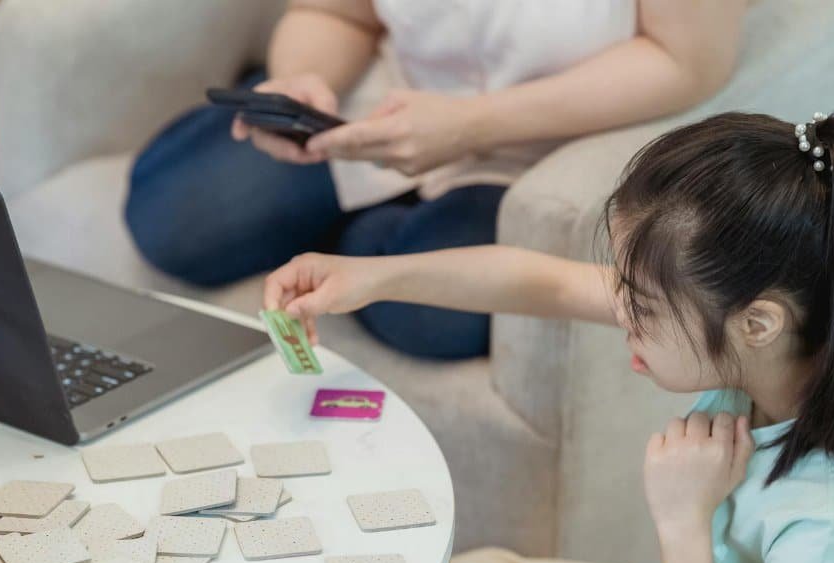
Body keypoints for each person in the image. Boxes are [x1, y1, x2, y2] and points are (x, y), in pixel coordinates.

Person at [261, 111, 834, 563]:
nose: (619, 309)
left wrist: (682, 521)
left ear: (758, 321)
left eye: (643, 305)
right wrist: (370, 278)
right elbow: (543, 279)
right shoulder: (804, 348)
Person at [124, 0, 746, 359]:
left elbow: (687, 61)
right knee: (169, 214)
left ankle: (364, 233)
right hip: (382, 98)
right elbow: (337, 10)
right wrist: (301, 78)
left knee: (429, 318)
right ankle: (365, 223)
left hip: (544, 141)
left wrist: (473, 124)